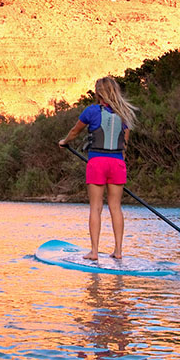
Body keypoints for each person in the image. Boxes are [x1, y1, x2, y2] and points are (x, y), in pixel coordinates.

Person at [57, 77, 137, 261]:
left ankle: (94, 252)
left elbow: (75, 132)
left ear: (99, 93)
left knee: (96, 207)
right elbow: (125, 144)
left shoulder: (91, 111)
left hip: (97, 163)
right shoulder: (124, 114)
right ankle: (118, 251)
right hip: (117, 164)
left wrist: (64, 142)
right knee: (115, 207)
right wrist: (119, 164)